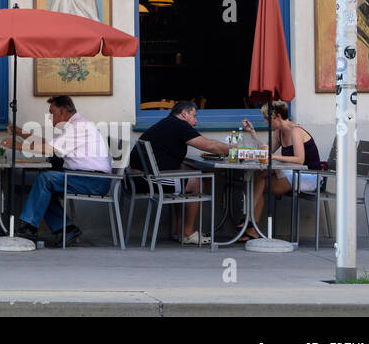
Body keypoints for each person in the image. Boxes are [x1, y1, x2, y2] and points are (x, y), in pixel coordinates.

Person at [6, 96, 110, 247]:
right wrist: (21, 133)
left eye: (51, 113)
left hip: (94, 180)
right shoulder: (72, 126)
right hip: (86, 177)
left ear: (62, 111)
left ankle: (29, 228)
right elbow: (49, 144)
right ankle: (67, 229)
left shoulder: (78, 127)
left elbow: (49, 149)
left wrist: (19, 146)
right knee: (44, 188)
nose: (49, 117)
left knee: (46, 179)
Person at [129, 101, 229, 244]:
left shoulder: (168, 123)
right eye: (194, 116)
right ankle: (187, 234)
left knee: (190, 176)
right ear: (184, 114)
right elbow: (210, 146)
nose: (196, 121)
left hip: (139, 177)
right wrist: (233, 149)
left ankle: (179, 230)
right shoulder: (179, 125)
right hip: (147, 180)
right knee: (197, 182)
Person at [239, 101, 323, 241]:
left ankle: (249, 221)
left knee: (259, 182)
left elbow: (299, 160)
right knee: (258, 176)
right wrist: (252, 133)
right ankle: (251, 225)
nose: (266, 122)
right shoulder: (279, 132)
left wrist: (273, 157)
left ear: (277, 117)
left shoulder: (296, 131)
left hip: (309, 176)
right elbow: (266, 151)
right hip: (292, 172)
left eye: (267, 119)